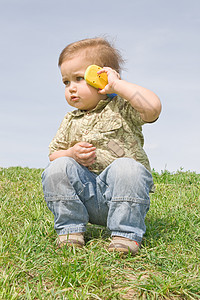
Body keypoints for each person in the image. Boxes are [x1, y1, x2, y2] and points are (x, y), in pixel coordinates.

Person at [42, 37, 161, 255]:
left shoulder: (123, 108)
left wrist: (117, 85)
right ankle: (70, 230)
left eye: (79, 78)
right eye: (66, 82)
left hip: (123, 198)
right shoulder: (70, 120)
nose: (71, 88)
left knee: (127, 167)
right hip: (83, 196)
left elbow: (152, 108)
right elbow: (53, 154)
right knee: (57, 167)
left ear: (101, 77)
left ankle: (125, 234)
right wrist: (70, 154)